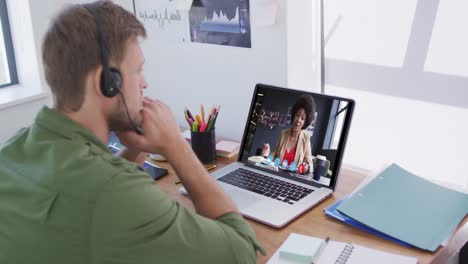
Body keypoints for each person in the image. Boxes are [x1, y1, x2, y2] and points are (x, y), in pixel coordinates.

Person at [0, 1, 263, 263]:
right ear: (106, 83)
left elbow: (91, 188)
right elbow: (243, 251)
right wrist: (176, 146)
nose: (145, 83)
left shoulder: (13, 151)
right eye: (138, 70)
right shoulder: (115, 194)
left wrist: (137, 146)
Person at [261, 95, 316, 173]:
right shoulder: (283, 134)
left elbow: (310, 165)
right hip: (277, 175)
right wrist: (266, 155)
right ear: (293, 115)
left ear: (305, 122)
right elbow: (273, 156)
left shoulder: (306, 139)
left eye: (303, 118)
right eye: (297, 115)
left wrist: (307, 166)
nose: (299, 120)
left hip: (293, 180)